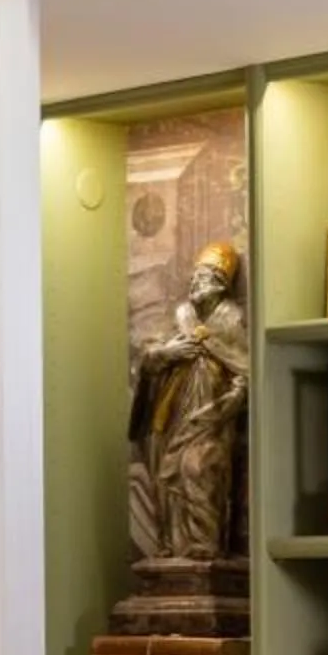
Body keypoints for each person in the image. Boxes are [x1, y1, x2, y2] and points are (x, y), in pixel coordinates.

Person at [129, 242, 250, 564]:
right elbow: (148, 358)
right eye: (195, 276)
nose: (196, 282)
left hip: (210, 414)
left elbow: (244, 366)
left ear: (221, 283)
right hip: (172, 414)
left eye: (205, 275)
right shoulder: (180, 316)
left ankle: (205, 546)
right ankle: (173, 545)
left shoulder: (231, 319)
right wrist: (165, 354)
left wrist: (237, 392)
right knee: (168, 478)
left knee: (199, 468)